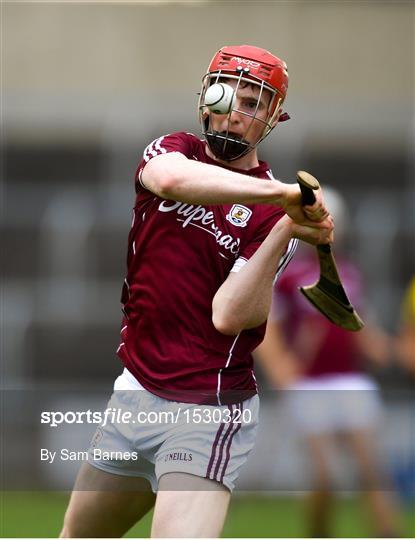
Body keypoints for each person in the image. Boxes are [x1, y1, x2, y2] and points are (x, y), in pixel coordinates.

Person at [60, 45, 333, 538]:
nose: (236, 113)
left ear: (272, 117)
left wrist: (286, 228)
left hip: (207, 408)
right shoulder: (172, 150)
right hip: (136, 391)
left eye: (254, 103)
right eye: (227, 94)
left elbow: (230, 316)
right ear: (207, 99)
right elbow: (170, 181)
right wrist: (284, 194)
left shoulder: (274, 216)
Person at [255, 188, 401, 538]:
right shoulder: (286, 275)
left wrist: (382, 348)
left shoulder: (347, 272)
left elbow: (361, 324)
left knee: (373, 473)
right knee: (325, 477)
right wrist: (281, 368)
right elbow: (268, 329)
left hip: (350, 380)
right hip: (309, 385)